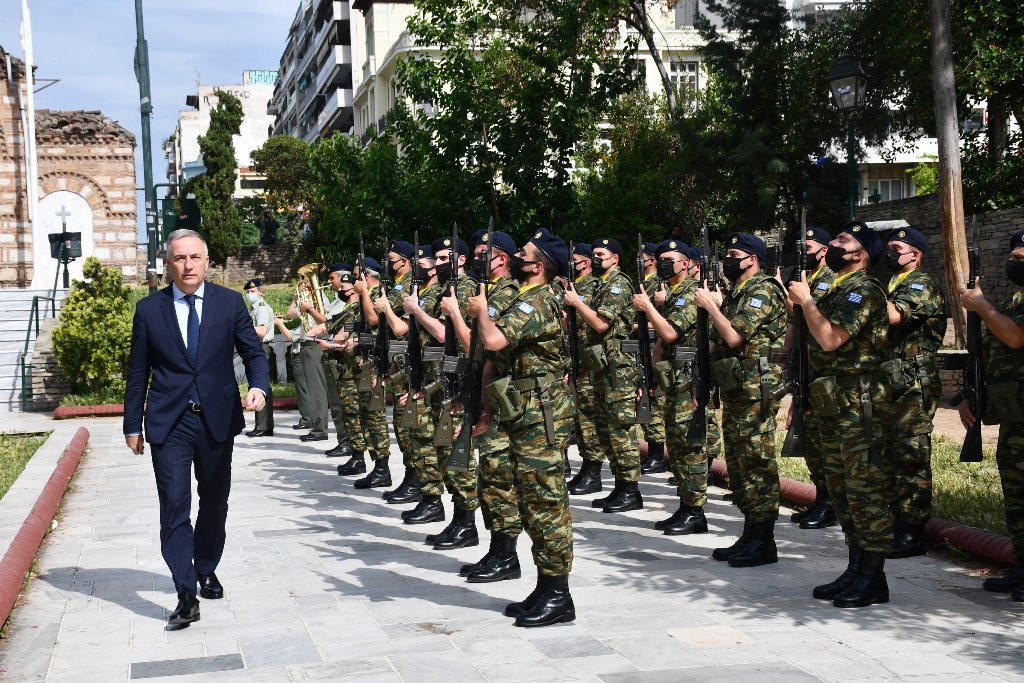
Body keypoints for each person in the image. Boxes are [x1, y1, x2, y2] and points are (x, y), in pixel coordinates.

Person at [123, 229, 269, 626]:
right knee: (174, 505)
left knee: (215, 501)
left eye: (194, 258)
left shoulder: (229, 303)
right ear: (168, 264)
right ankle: (186, 592)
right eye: (179, 258)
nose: (187, 265)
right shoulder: (149, 310)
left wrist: (258, 386)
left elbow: (253, 353)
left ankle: (205, 565)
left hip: (216, 419)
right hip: (170, 421)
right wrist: (131, 424)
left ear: (206, 262)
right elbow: (138, 373)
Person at [467, 228, 575, 627]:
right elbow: (494, 359)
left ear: (540, 264)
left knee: (546, 501)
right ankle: (545, 586)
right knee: (528, 499)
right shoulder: (520, 298)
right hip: (518, 407)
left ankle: (559, 593)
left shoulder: (542, 300)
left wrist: (480, 311)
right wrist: (486, 409)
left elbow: (493, 340)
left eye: (525, 254)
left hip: (540, 411)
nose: (517, 258)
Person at [788, 220, 892, 608]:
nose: (832, 243)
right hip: (834, 401)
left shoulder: (862, 291)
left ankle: (874, 577)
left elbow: (831, 339)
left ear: (860, 253)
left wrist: (807, 303)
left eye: (842, 240)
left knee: (865, 491)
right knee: (844, 492)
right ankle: (855, 569)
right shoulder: (835, 288)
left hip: (859, 404)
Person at [694, 233, 786, 567]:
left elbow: (734, 335)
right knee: (739, 462)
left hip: (755, 390)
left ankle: (764, 540)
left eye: (734, 254)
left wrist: (711, 307)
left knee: (757, 462)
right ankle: (750, 533)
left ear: (752, 258)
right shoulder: (740, 292)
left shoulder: (763, 290)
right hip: (737, 387)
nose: (728, 261)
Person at [442, 230, 523, 580]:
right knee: (490, 477)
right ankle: (497, 551)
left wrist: (459, 315)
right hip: (486, 390)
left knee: (499, 476)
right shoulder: (483, 292)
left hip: (506, 395)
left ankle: (507, 556)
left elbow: (484, 347)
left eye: (482, 252)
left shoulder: (506, 295)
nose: (476, 257)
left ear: (501, 258)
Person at [958, 228, 1024, 602]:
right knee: (1015, 494)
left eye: (1023, 257)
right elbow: (990, 354)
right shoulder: (1014, 301)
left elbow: (1015, 338)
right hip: (1014, 414)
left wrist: (981, 306)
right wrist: (970, 397)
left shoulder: (1006, 308)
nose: (1016, 261)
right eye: (1014, 255)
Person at [633, 240, 709, 535]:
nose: (664, 264)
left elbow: (670, 333)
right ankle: (685, 505)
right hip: (671, 378)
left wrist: (649, 307)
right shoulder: (674, 294)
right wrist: (651, 371)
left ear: (687, 264)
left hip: (688, 379)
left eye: (670, 259)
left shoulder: (690, 294)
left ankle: (695, 510)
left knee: (689, 446)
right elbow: (662, 343)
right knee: (676, 446)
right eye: (661, 259)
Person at [564, 238, 643, 513]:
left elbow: (600, 322)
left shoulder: (619, 284)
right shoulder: (601, 284)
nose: (595, 258)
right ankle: (620, 486)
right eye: (594, 254)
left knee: (620, 430)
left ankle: (631, 490)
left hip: (618, 368)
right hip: (600, 366)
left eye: (601, 254)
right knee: (605, 429)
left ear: (615, 259)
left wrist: (576, 303)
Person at [880, 227, 945, 558]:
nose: (889, 253)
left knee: (911, 456)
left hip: (913, 383)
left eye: (896, 248)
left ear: (914, 255)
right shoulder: (893, 284)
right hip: (892, 381)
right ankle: (898, 522)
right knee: (892, 455)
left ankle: (913, 531)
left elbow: (892, 315)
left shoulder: (921, 284)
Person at [786, 227, 838, 530]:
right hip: (805, 366)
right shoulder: (805, 282)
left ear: (823, 251)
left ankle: (830, 503)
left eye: (809, 245)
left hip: (823, 368)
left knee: (824, 440)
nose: (804, 250)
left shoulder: (828, 281)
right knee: (811, 440)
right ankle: (821, 498)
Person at [639, 241, 668, 475]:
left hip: (654, 344)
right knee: (646, 398)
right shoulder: (643, 284)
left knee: (655, 401)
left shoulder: (661, 285)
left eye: (643, 256)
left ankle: (658, 454)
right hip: (644, 347)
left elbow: (662, 321)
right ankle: (653, 450)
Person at [243, 278, 275, 437]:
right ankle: (263, 425)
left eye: (253, 291)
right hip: (258, 347)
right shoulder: (254, 308)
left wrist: (242, 325)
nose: (250, 294)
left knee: (261, 386)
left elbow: (261, 331)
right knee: (260, 385)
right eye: (248, 292)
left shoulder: (260, 308)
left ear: (260, 293)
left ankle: (264, 426)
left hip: (261, 347)